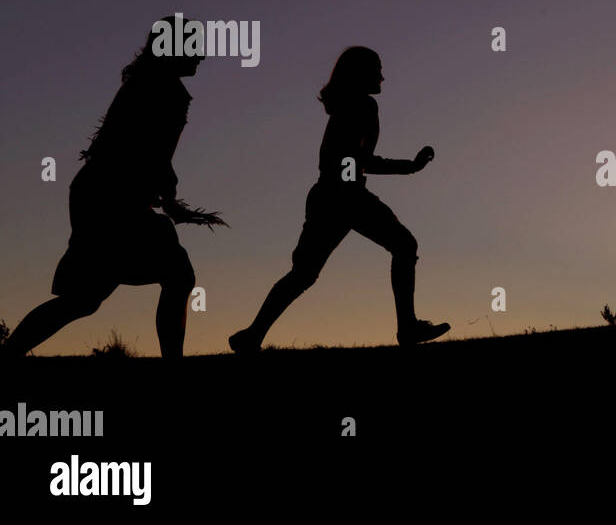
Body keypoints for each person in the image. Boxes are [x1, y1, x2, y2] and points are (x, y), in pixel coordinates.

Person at [1, 18, 223, 359]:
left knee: (84, 299)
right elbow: (151, 149)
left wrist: (163, 191)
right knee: (177, 276)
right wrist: (168, 194)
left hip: (100, 194)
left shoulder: (145, 82)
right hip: (113, 200)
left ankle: (9, 353)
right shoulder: (166, 91)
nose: (202, 55)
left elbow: (141, 149)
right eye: (195, 47)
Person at [229, 46, 449, 353]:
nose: (382, 76)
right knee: (401, 246)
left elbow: (354, 160)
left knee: (303, 274)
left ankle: (252, 335)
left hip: (331, 195)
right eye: (376, 69)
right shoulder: (362, 107)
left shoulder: (352, 107)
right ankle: (408, 328)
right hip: (342, 196)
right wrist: (406, 168)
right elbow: (357, 160)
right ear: (361, 75)